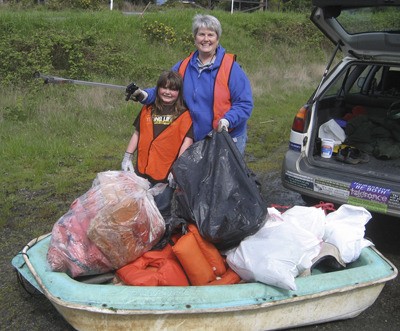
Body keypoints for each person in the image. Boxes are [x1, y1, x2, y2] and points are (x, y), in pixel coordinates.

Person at [130, 14, 253, 155]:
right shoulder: (183, 66)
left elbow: (244, 104)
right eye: (201, 34)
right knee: (197, 176)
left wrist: (227, 121)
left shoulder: (231, 68)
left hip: (227, 137)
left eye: (211, 35)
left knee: (225, 177)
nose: (206, 39)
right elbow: (165, 90)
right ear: (195, 38)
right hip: (194, 137)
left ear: (217, 39)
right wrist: (142, 94)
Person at [122, 70, 193, 217]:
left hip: (165, 174)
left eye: (173, 89)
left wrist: (177, 170)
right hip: (142, 170)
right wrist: (127, 156)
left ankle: (161, 236)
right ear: (158, 88)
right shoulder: (148, 109)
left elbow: (187, 141)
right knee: (140, 207)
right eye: (164, 87)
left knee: (161, 209)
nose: (167, 92)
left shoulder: (184, 114)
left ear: (179, 92)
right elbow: (137, 133)